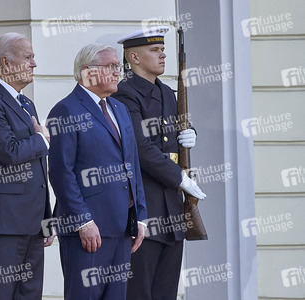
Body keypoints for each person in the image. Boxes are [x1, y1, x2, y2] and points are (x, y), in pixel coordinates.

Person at [112, 26, 207, 300]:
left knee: (166, 292)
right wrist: (179, 177)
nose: (163, 55)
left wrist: (191, 134)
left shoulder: (166, 92)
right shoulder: (125, 94)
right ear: (134, 58)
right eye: (154, 50)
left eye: (163, 49)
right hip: (145, 207)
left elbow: (175, 132)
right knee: (139, 292)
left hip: (172, 211)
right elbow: (140, 148)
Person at [47, 43, 147, 300]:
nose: (118, 73)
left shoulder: (119, 109)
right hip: (87, 231)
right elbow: (61, 172)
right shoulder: (66, 110)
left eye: (118, 67)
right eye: (111, 66)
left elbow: (132, 165)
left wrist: (141, 216)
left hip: (122, 229)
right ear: (87, 72)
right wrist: (83, 221)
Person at [0, 32, 54, 299]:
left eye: (33, 58)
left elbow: (37, 168)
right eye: (28, 57)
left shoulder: (26, 103)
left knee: (30, 295)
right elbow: (9, 152)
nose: (34, 64)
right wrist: (42, 139)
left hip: (32, 224)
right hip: (3, 224)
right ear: (6, 63)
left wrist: (46, 217)